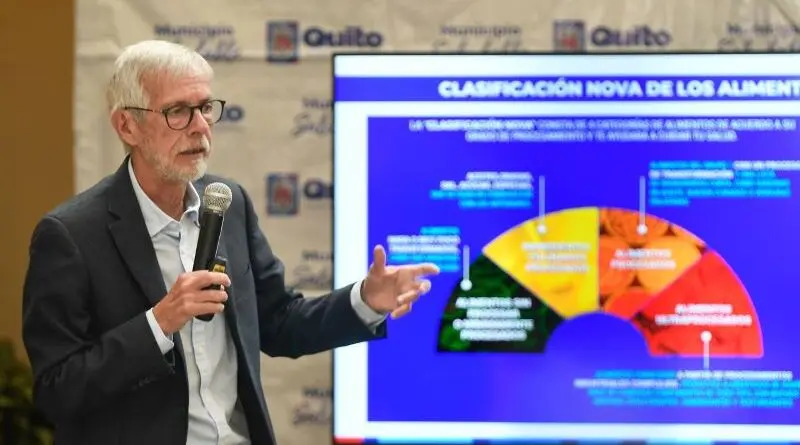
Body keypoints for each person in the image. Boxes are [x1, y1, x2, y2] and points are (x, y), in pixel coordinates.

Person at [21, 40, 440, 445]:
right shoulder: (71, 235)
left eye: (205, 107)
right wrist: (160, 323)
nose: (200, 126)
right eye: (178, 112)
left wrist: (365, 300)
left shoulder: (227, 202)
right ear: (127, 125)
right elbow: (57, 389)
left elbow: (280, 323)